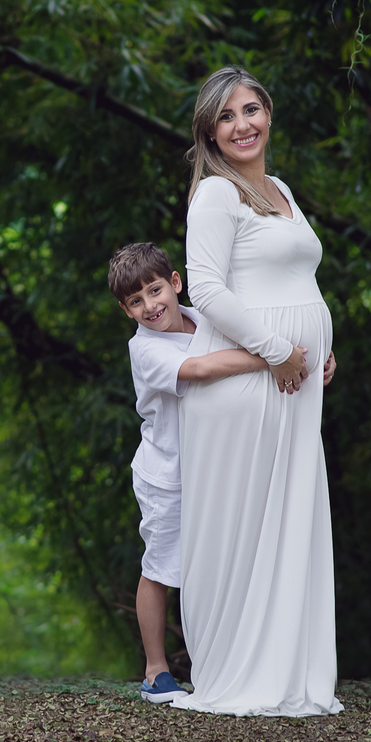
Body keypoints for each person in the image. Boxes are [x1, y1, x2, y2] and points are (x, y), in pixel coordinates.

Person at [170, 66, 343, 716]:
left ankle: (289, 673)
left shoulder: (280, 189)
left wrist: (320, 349)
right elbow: (207, 289)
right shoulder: (217, 195)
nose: (242, 125)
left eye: (250, 110)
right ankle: (236, 671)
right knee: (243, 526)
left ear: (268, 114)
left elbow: (297, 282)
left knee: (290, 519)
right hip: (247, 382)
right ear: (209, 133)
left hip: (294, 382)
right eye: (226, 116)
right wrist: (278, 351)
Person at [109, 243, 321, 703]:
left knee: (220, 561)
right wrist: (274, 357)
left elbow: (260, 337)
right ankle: (155, 672)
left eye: (155, 290)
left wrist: (309, 359)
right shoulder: (144, 349)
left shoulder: (205, 318)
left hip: (214, 468)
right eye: (135, 301)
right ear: (126, 311)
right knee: (161, 567)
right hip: (168, 475)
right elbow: (201, 368)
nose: (150, 306)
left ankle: (233, 663)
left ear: (176, 282)